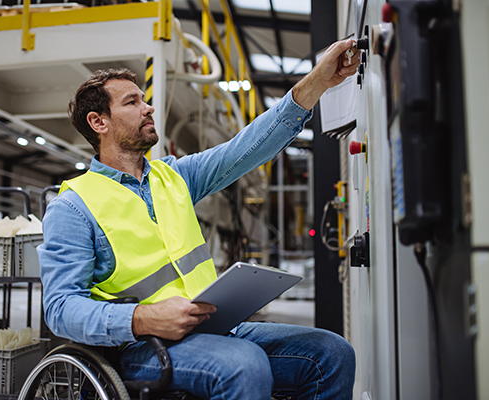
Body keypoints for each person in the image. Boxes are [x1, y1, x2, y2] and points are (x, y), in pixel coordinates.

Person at [38, 38, 359, 400]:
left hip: (212, 329)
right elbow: (61, 308)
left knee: (331, 353)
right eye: (132, 102)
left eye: (144, 99)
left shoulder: (175, 176)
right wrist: (143, 319)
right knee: (243, 364)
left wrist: (316, 81)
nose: (149, 108)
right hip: (140, 347)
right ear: (99, 122)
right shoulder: (73, 206)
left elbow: (246, 148)